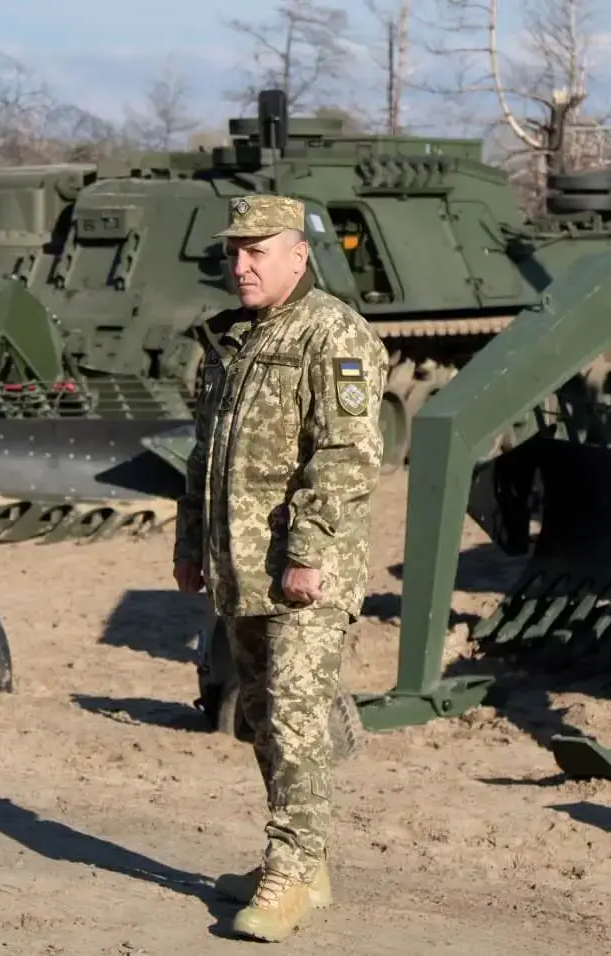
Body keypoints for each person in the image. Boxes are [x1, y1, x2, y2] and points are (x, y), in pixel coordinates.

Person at [173, 193, 388, 943]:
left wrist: (306, 553)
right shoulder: (236, 343)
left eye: (256, 251)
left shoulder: (332, 333)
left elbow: (347, 454)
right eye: (234, 251)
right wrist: (189, 545)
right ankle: (308, 856)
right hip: (240, 566)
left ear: (298, 255)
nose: (240, 265)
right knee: (264, 718)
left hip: (307, 571)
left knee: (297, 718)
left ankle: (290, 873)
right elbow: (205, 455)